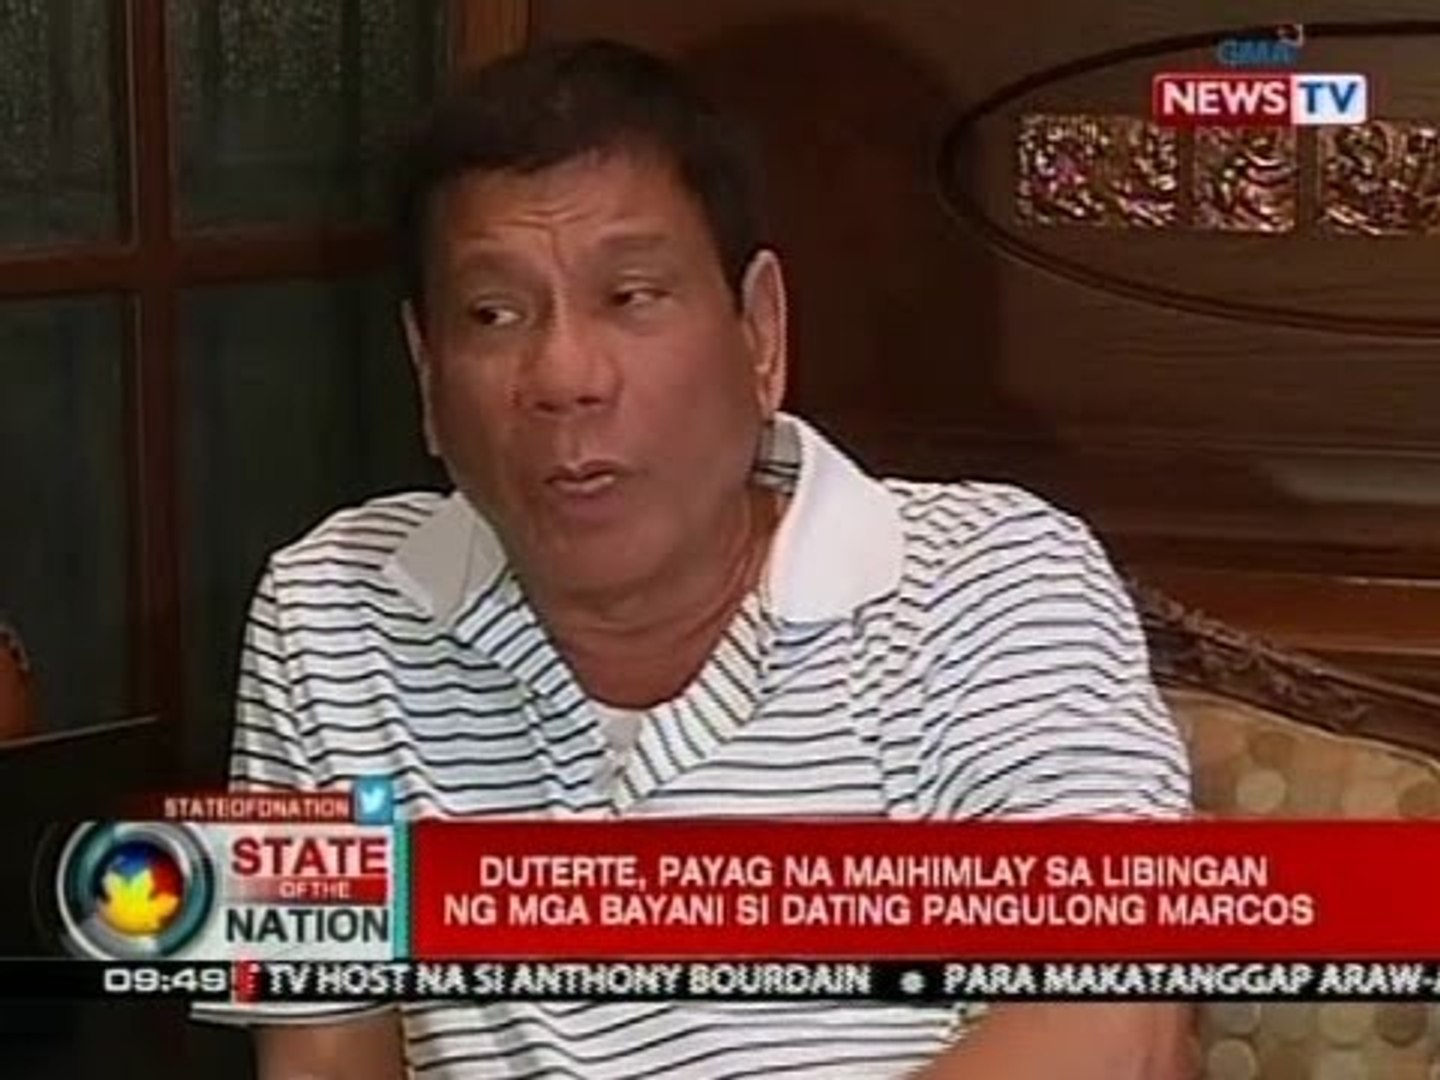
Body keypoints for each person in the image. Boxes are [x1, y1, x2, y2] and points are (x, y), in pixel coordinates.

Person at [196, 38, 1192, 1079]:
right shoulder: (327, 611)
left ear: (760, 332)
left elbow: (1114, 1016)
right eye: (493, 314)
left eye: (631, 296)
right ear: (426, 374)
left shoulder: (996, 579)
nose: (564, 376)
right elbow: (322, 1058)